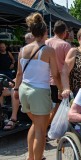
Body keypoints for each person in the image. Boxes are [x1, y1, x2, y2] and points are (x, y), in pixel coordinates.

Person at [14, 12, 62, 160]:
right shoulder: (48, 50)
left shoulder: (23, 50)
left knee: (35, 125)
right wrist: (61, 89)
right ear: (45, 32)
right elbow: (55, 75)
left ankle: (30, 157)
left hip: (24, 91)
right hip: (39, 92)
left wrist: (15, 89)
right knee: (41, 129)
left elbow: (19, 74)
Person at [2, 33, 35, 130]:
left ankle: (13, 118)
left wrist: (16, 84)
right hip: (22, 83)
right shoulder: (23, 55)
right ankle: (2, 115)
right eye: (26, 43)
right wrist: (13, 81)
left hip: (30, 86)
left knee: (14, 92)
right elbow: (20, 73)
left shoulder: (39, 55)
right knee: (1, 89)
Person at [45, 20, 71, 124]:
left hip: (45, 79)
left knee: (48, 107)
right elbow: (69, 65)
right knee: (58, 105)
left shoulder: (46, 42)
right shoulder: (65, 45)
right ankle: (47, 127)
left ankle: (45, 126)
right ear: (65, 32)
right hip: (59, 81)